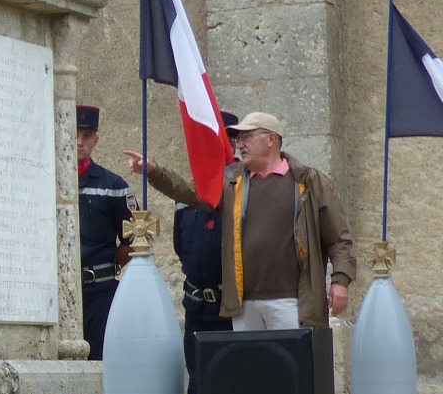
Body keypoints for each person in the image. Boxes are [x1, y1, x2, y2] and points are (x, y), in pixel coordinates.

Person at [126, 110, 356, 331]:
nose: (239, 144)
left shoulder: (308, 181)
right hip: (245, 306)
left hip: (293, 303)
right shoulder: (232, 182)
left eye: (246, 137)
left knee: (294, 369)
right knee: (249, 370)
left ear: (271, 140)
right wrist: (155, 171)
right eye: (238, 138)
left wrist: (340, 280)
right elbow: (191, 193)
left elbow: (338, 239)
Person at [171, 111, 236, 394]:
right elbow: (182, 248)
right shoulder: (188, 197)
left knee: (231, 379)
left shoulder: (242, 191)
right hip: (198, 306)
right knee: (197, 380)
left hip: (231, 308)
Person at [76, 105, 133, 360]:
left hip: (99, 291)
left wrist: (113, 262)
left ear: (96, 141)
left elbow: (133, 235)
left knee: (99, 360)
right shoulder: (44, 179)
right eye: (74, 134)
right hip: (58, 293)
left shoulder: (114, 186)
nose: (79, 142)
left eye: (86, 136)